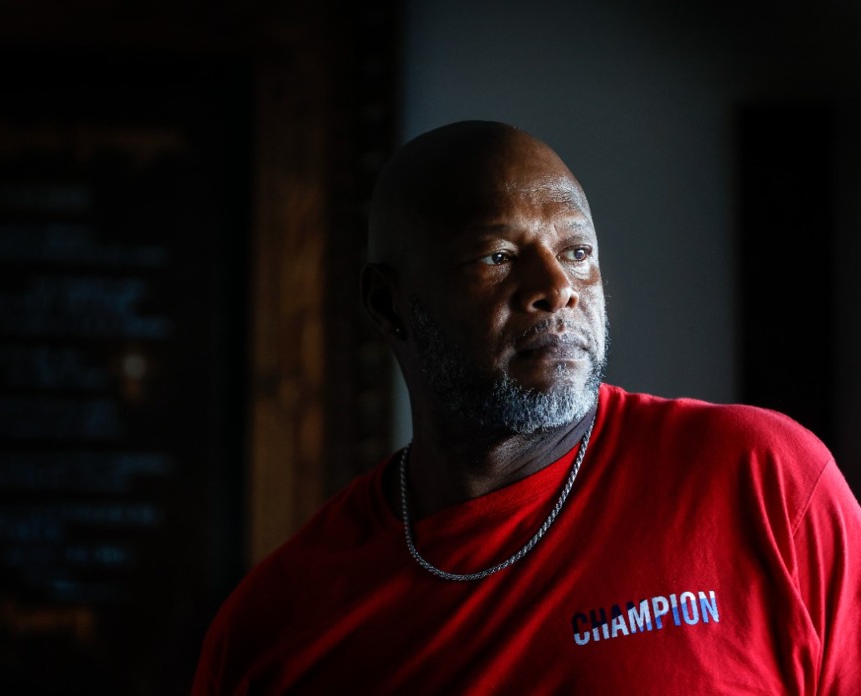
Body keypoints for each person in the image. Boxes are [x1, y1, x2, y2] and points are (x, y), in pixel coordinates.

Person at [191, 120, 861, 694]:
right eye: (497, 256)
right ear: (387, 304)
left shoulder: (764, 480)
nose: (557, 288)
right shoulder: (276, 627)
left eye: (576, 252)